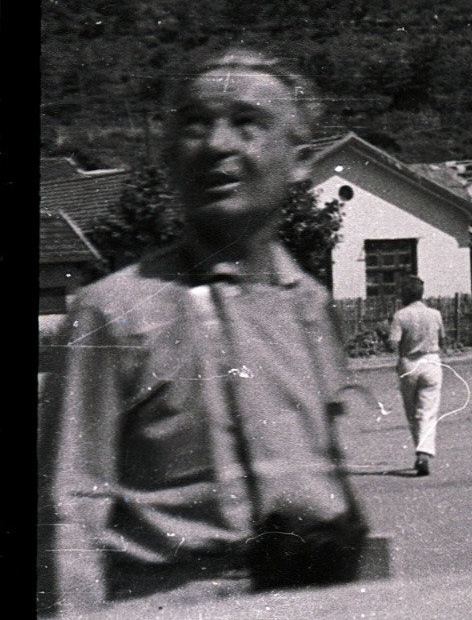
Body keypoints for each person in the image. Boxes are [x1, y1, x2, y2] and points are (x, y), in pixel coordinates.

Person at [37, 48, 371, 613]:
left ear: (299, 162)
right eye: (195, 125)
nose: (217, 145)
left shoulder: (309, 306)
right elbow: (68, 510)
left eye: (247, 123)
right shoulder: (113, 310)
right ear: (170, 156)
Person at [387, 275, 444, 476]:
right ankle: (424, 452)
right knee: (428, 410)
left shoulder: (400, 316)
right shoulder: (435, 314)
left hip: (409, 363)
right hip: (431, 361)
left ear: (404, 294)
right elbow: (443, 339)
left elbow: (393, 344)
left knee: (412, 412)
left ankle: (421, 452)